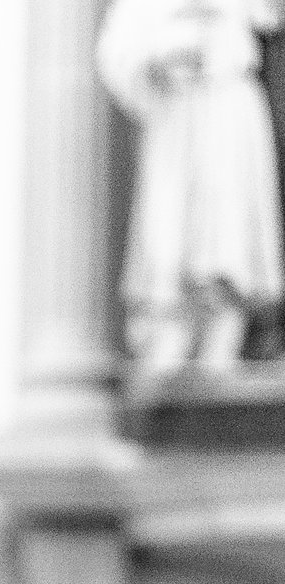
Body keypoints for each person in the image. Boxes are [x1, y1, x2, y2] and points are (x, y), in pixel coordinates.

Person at [99, 0, 283, 372]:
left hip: (229, 107)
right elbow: (118, 51)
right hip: (176, 115)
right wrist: (160, 60)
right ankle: (171, 337)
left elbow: (268, 14)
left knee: (230, 231)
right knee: (170, 229)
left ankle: (226, 336)